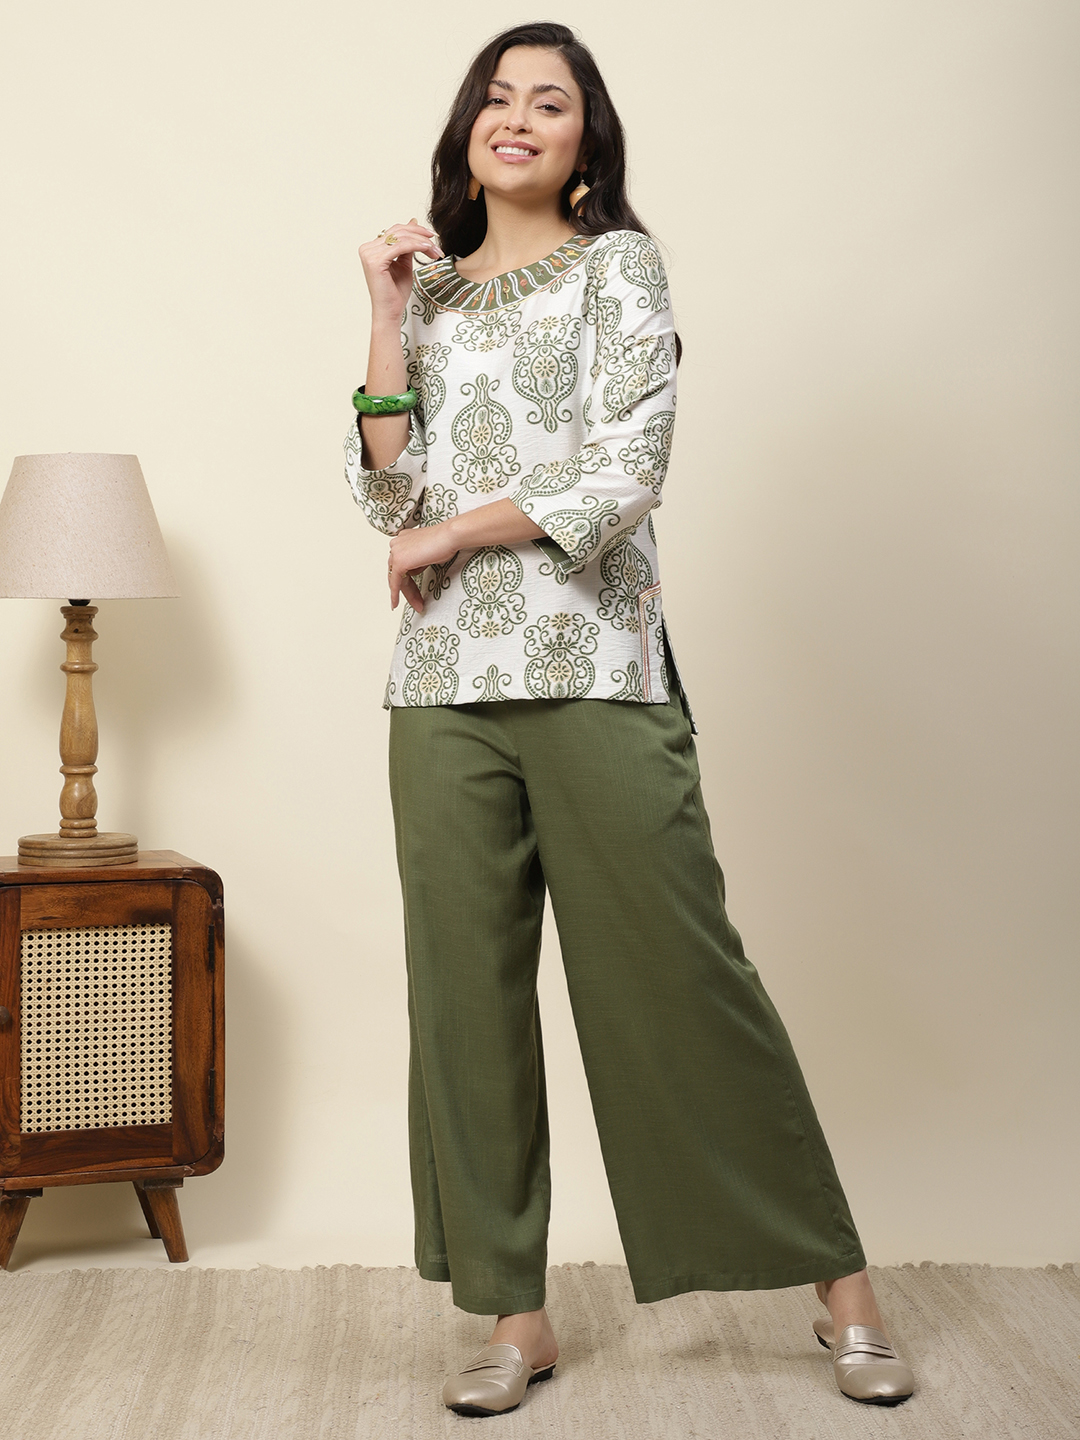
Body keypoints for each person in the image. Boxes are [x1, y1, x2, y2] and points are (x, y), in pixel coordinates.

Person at [345, 21, 915, 1417]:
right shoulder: (431, 297)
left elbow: (625, 470)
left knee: (678, 978)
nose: (517, 117)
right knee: (464, 1005)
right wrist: (384, 313)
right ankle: (515, 1317)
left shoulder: (619, 268)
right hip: (442, 692)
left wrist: (450, 536)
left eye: (549, 102)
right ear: (467, 130)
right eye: (497, 97)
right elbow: (384, 491)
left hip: (597, 667)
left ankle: (841, 1287)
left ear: (586, 141)